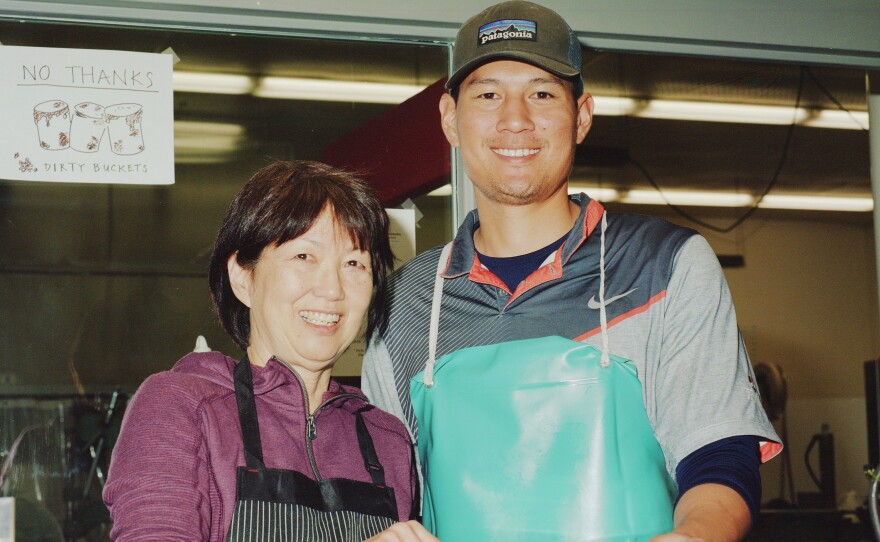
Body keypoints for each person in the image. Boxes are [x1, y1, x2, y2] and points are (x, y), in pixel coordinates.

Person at [362, 2, 782, 541]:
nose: (515, 119)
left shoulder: (666, 265)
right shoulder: (403, 304)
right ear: (450, 119)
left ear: (581, 115)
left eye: (541, 93)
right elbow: (383, 486)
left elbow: (719, 453)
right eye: (489, 94)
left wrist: (692, 535)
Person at [103, 161, 436, 541]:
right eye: (304, 256)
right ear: (244, 278)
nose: (332, 289)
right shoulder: (183, 407)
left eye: (354, 263)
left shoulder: (387, 439)